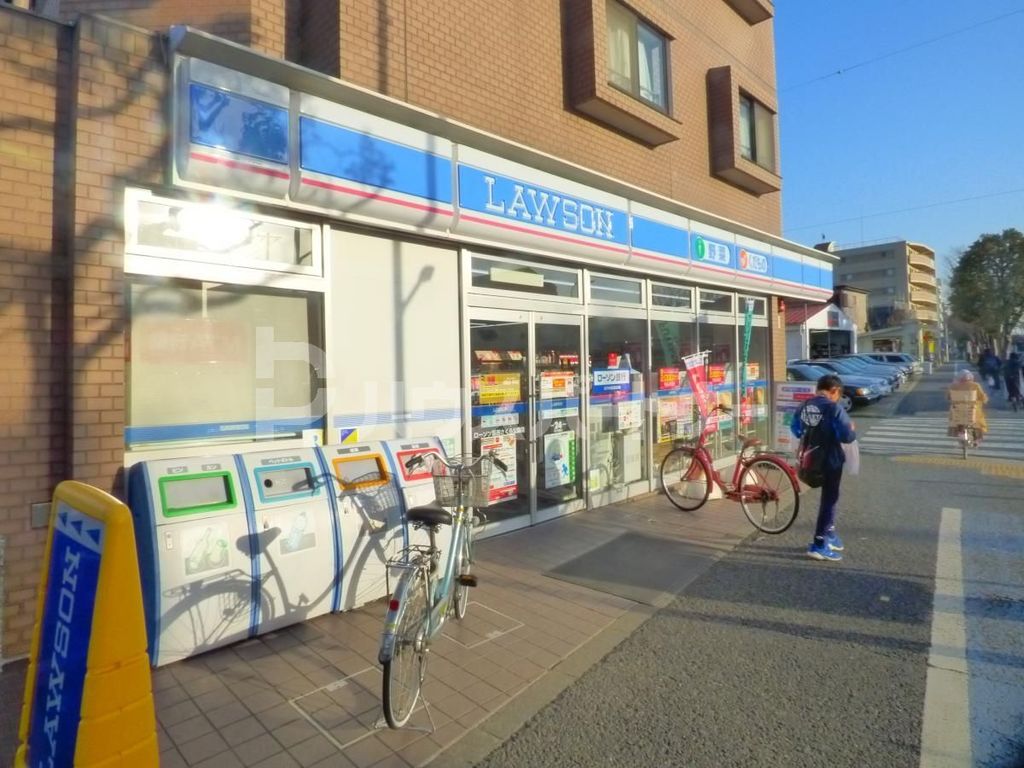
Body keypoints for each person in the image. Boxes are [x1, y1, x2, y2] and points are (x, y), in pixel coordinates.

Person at [790, 373, 857, 562]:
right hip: (830, 459)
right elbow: (846, 436)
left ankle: (829, 533)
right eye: (838, 395)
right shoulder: (833, 408)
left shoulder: (803, 405)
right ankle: (819, 544)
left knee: (829, 500)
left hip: (809, 459)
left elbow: (795, 429)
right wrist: (851, 429)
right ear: (834, 391)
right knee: (829, 500)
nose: (838, 398)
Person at [948, 370, 988, 440]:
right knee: (979, 417)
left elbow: (948, 397)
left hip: (957, 411)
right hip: (971, 410)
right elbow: (982, 397)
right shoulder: (975, 385)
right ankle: (977, 437)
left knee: (956, 416)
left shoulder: (953, 386)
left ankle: (960, 432)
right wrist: (984, 400)